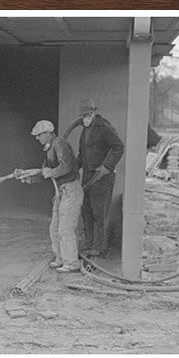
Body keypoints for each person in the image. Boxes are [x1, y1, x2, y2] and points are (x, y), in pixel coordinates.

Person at [30, 119, 83, 274]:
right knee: (55, 228)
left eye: (39, 135)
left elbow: (65, 167)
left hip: (70, 191)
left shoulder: (59, 144)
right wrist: (33, 176)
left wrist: (50, 173)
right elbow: (46, 170)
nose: (37, 138)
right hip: (61, 192)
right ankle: (60, 258)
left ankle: (72, 263)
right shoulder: (50, 148)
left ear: (48, 133)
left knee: (65, 228)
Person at [76, 98, 124, 257]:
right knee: (87, 213)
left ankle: (99, 248)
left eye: (88, 114)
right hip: (88, 177)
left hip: (102, 178)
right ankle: (90, 245)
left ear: (93, 112)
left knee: (99, 214)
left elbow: (119, 147)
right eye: (83, 115)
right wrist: (72, 169)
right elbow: (82, 155)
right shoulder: (84, 131)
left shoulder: (104, 128)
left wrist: (107, 166)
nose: (85, 118)